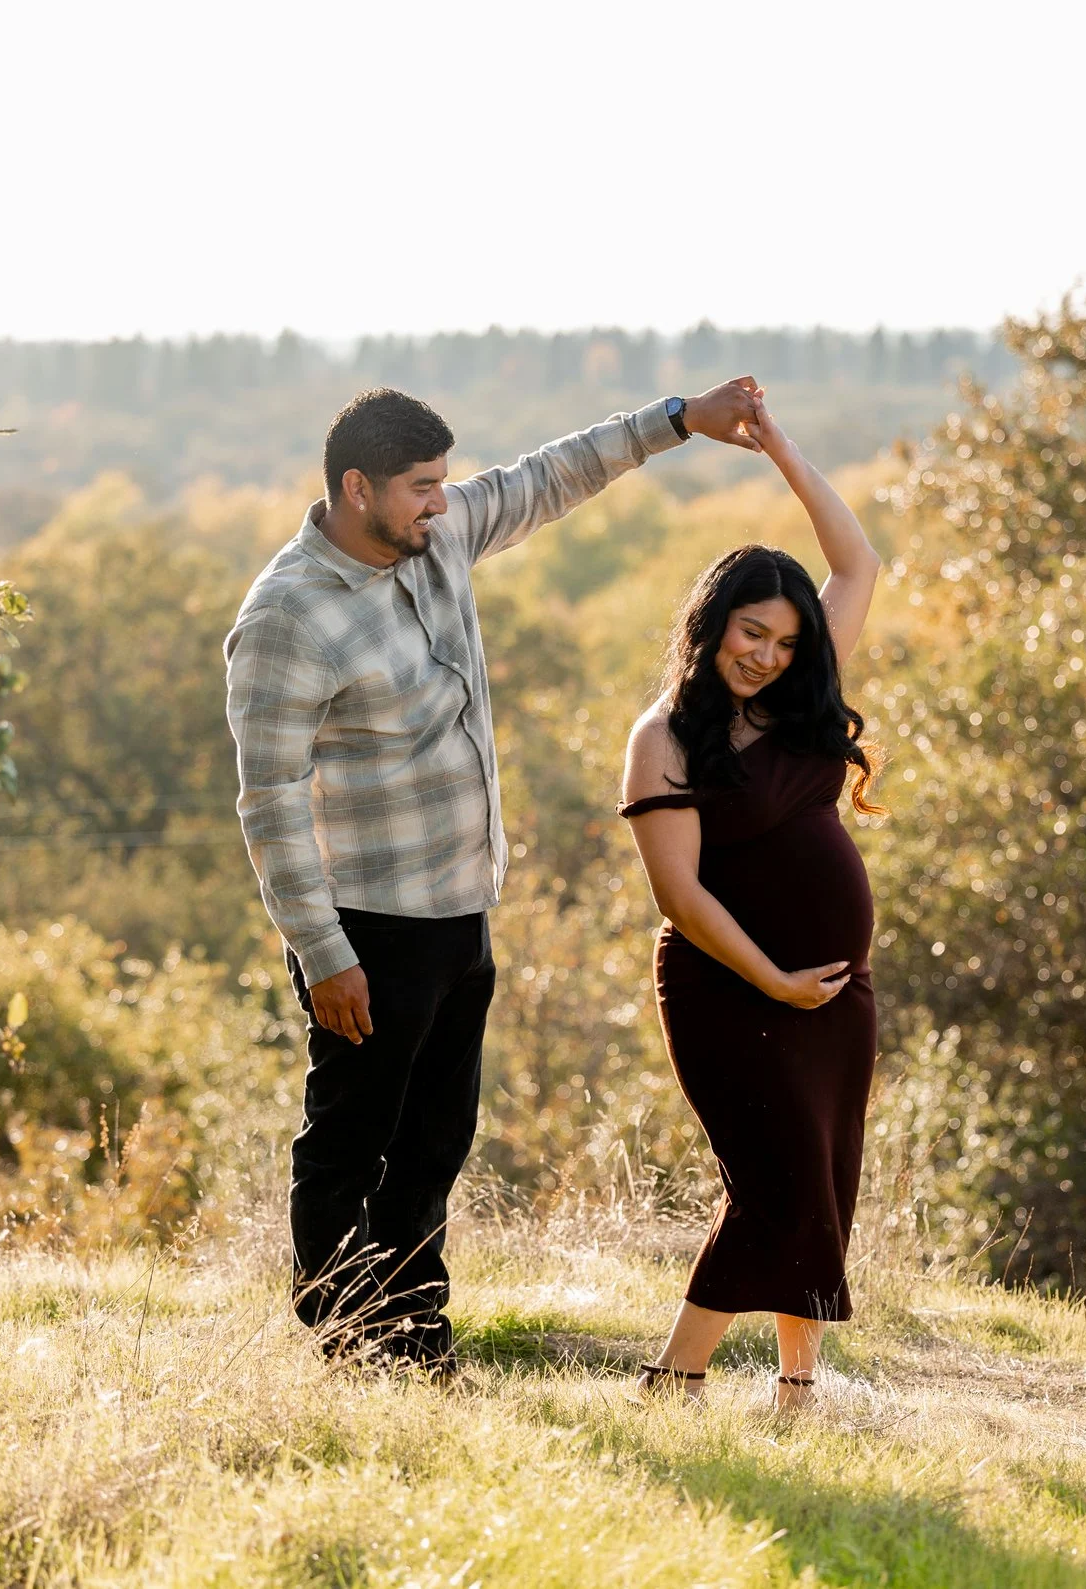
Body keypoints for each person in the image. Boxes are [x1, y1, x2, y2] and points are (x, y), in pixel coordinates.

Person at [224, 377, 764, 1374]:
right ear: (357, 487)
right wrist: (323, 952)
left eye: (444, 482)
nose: (442, 500)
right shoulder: (287, 617)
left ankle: (415, 1339)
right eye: (421, 486)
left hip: (461, 908)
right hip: (365, 927)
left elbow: (551, 474)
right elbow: (270, 802)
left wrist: (680, 419)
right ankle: (346, 1340)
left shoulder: (435, 538)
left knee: (434, 1143)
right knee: (351, 1141)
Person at [617, 392, 883, 1410]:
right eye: (751, 632)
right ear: (712, 624)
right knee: (774, 1182)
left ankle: (797, 1390)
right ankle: (673, 1378)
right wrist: (772, 977)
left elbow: (858, 565)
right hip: (729, 991)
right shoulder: (664, 737)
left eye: (783, 640)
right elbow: (680, 894)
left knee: (823, 1176)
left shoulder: (798, 704)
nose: (766, 654)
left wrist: (781, 452)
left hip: (833, 995)